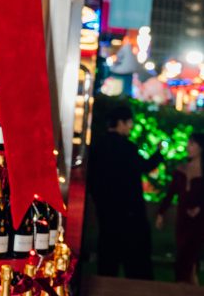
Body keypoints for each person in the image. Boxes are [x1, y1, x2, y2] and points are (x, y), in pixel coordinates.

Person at [87, 103, 163, 279]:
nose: (131, 126)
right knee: (135, 258)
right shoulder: (127, 148)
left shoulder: (98, 147)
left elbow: (92, 179)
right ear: (121, 122)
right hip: (129, 213)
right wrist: (158, 153)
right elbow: (144, 166)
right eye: (129, 123)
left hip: (106, 211)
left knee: (108, 256)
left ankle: (106, 284)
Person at [155, 132, 204, 284]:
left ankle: (191, 284)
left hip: (199, 221)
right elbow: (170, 194)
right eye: (188, 143)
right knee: (182, 253)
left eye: (192, 144)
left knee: (192, 255)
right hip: (183, 219)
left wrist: (199, 208)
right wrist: (161, 213)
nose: (188, 147)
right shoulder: (181, 169)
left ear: (200, 148)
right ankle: (182, 285)